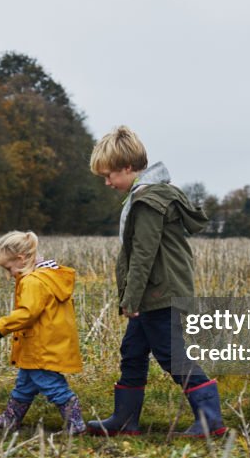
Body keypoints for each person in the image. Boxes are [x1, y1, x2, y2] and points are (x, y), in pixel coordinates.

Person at [87, 126, 225, 438]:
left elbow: (143, 255)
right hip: (154, 293)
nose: (107, 183)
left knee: (171, 354)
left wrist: (130, 298)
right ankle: (124, 420)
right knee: (133, 350)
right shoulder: (143, 196)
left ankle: (210, 419)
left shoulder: (148, 201)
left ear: (127, 168)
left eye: (109, 175)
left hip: (161, 293)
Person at [0, 231, 85, 435]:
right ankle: (10, 419)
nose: (9, 274)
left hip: (41, 346)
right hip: (43, 342)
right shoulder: (48, 277)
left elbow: (27, 313)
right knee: (24, 385)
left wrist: (1, 325)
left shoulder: (33, 281)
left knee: (52, 385)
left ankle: (76, 424)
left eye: (8, 268)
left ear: (20, 259)